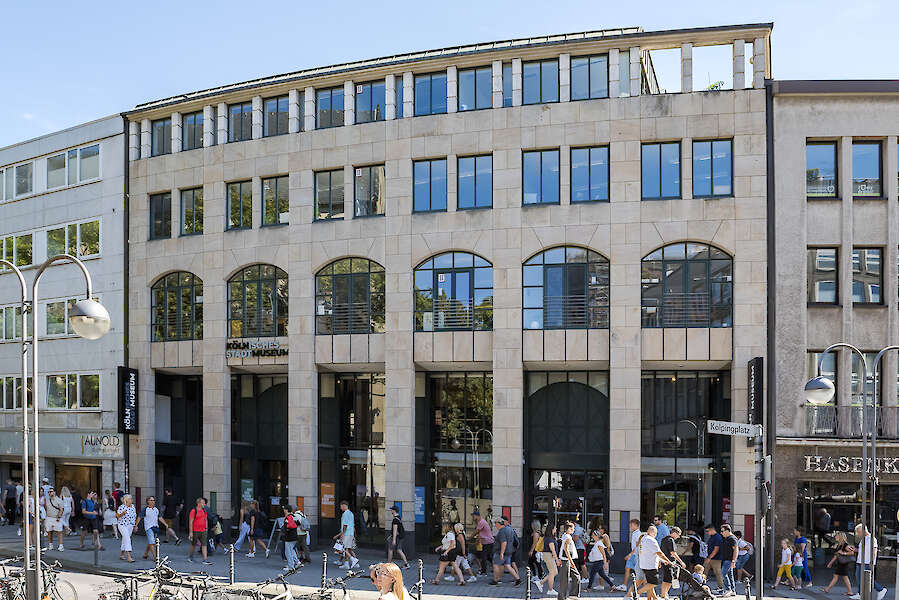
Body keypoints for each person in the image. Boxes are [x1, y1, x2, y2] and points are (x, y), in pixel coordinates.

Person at [636, 525, 673, 600]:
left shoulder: (643, 538)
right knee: (653, 583)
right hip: (650, 566)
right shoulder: (651, 540)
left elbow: (651, 553)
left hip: (644, 565)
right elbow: (659, 553)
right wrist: (668, 561)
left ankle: (651, 598)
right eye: (656, 533)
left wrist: (661, 561)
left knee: (649, 583)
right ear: (654, 533)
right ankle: (637, 592)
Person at [851, 523, 887, 600]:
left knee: (868, 579)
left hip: (867, 562)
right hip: (860, 561)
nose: (858, 534)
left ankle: (881, 589)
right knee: (859, 578)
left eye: (859, 532)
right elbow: (863, 550)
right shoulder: (863, 539)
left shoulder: (872, 538)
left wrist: (872, 561)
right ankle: (860, 593)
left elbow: (874, 550)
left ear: (863, 531)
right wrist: (855, 550)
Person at [489, 516, 521, 586]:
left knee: (496, 565)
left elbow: (504, 542)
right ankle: (518, 579)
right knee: (507, 566)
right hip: (509, 551)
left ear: (498, 524)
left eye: (495, 524)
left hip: (500, 551)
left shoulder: (502, 531)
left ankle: (495, 580)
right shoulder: (509, 529)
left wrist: (501, 553)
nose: (495, 525)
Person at [659, 526, 687, 599]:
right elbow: (673, 553)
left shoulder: (664, 539)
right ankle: (664, 594)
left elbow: (661, 552)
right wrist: (681, 562)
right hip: (670, 562)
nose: (679, 536)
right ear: (674, 533)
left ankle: (663, 594)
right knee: (669, 579)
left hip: (664, 561)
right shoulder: (670, 540)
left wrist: (659, 561)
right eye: (678, 534)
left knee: (666, 578)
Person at [619, 519, 645, 594]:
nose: (630, 526)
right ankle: (624, 585)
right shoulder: (635, 533)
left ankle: (645, 587)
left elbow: (637, 545)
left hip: (636, 555)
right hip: (634, 555)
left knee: (639, 572)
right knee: (627, 568)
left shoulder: (638, 534)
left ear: (636, 525)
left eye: (632, 525)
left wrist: (630, 554)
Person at [332, 500, 358, 569]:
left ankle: (353, 559)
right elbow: (352, 524)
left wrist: (341, 534)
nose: (340, 508)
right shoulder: (351, 513)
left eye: (341, 506)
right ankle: (347, 563)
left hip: (346, 533)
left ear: (344, 506)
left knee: (343, 548)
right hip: (350, 533)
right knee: (347, 548)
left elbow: (345, 525)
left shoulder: (345, 514)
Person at [557, 521, 579, 600]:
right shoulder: (567, 537)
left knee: (576, 576)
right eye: (573, 528)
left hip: (566, 560)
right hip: (566, 560)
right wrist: (571, 561)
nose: (573, 530)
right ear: (569, 529)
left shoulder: (565, 536)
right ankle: (562, 597)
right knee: (564, 580)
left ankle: (573, 595)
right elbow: (566, 550)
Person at [187, 497, 212, 565]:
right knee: (193, 544)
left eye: (204, 503)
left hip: (203, 530)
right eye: (202, 503)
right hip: (195, 530)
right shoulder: (193, 511)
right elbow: (191, 522)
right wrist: (191, 532)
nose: (204, 504)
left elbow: (205, 519)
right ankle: (190, 557)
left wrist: (206, 528)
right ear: (198, 503)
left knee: (204, 544)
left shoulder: (204, 511)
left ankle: (205, 559)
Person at [538, 522, 559, 595]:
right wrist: (557, 560)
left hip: (548, 555)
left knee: (554, 572)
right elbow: (553, 550)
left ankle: (541, 582)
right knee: (552, 572)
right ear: (552, 529)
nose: (556, 529)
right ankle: (550, 590)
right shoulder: (549, 539)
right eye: (555, 528)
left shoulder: (549, 538)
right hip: (549, 556)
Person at [137, 496, 161, 561]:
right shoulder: (145, 509)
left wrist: (166, 524)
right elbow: (139, 517)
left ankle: (145, 554)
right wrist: (136, 525)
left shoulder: (156, 509)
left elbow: (159, 517)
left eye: (153, 500)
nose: (153, 501)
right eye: (151, 500)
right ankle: (156, 557)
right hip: (148, 527)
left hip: (155, 527)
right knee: (152, 542)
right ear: (148, 501)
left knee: (151, 542)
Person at [116, 494, 137, 563]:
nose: (131, 500)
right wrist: (122, 513)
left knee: (125, 539)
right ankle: (129, 556)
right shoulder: (122, 507)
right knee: (127, 539)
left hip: (130, 526)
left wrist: (134, 526)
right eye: (130, 499)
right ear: (126, 500)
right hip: (122, 525)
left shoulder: (133, 507)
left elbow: (134, 517)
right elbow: (117, 516)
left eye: (131, 498)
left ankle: (121, 554)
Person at [472, 509, 494, 576]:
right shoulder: (482, 521)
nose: (473, 517)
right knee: (488, 557)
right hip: (487, 541)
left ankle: (484, 572)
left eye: (473, 516)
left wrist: (469, 538)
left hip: (487, 542)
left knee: (483, 557)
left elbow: (477, 531)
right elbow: (480, 533)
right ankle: (496, 566)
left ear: (476, 516)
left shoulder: (481, 522)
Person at [703, 524, 724, 591]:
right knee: (703, 570)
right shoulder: (712, 537)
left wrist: (709, 557)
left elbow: (716, 549)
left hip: (716, 558)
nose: (707, 533)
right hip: (710, 557)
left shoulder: (717, 537)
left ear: (712, 530)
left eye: (707, 531)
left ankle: (720, 587)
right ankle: (701, 585)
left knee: (717, 573)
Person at [43, 487, 65, 551]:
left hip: (56, 518)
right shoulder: (47, 500)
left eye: (51, 491)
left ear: (54, 492)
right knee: (49, 532)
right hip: (49, 517)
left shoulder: (59, 500)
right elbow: (45, 508)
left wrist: (59, 516)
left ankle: (61, 545)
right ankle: (50, 544)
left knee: (59, 532)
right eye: (48, 492)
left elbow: (61, 509)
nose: (49, 493)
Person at [719, 524, 738, 597]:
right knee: (730, 575)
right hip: (726, 559)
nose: (721, 533)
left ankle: (728, 589)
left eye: (722, 531)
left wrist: (733, 561)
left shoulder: (732, 538)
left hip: (729, 560)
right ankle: (733, 590)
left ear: (727, 531)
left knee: (723, 573)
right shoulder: (727, 538)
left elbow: (736, 550)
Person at [281, 505, 300, 572]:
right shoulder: (294, 516)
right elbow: (298, 523)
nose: (283, 510)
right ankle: (297, 562)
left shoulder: (287, 518)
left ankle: (290, 567)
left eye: (284, 509)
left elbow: (286, 528)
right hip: (295, 536)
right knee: (292, 550)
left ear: (286, 510)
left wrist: (286, 531)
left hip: (288, 537)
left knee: (288, 552)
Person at [528, 520, 546, 586]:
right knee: (533, 563)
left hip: (535, 550)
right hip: (536, 550)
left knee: (536, 563)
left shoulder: (536, 533)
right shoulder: (537, 533)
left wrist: (531, 551)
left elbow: (534, 543)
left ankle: (539, 576)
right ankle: (536, 575)